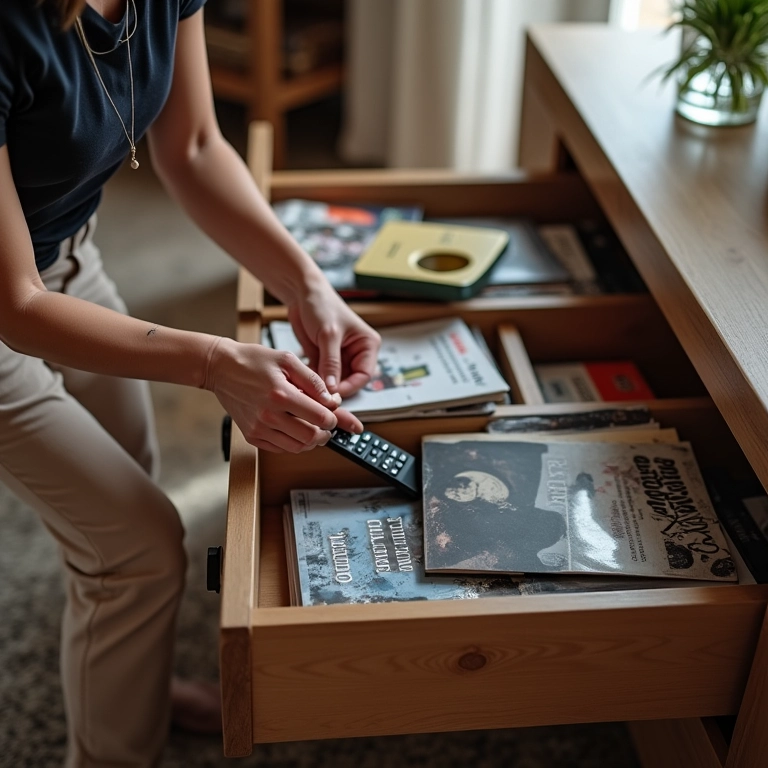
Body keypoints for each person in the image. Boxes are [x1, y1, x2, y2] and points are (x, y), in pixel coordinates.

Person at [0, 1, 381, 766]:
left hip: (66, 254)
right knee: (136, 544)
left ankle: (126, 675)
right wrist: (212, 364)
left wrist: (306, 283)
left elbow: (199, 145)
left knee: (124, 487)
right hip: (13, 293)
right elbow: (17, 306)